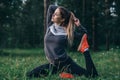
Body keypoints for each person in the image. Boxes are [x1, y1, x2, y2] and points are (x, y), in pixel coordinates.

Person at [26, 5, 98, 78]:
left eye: (56, 14)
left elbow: (84, 34)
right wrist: (68, 13)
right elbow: (51, 7)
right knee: (30, 75)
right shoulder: (50, 25)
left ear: (62, 19)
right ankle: (66, 74)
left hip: (66, 63)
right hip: (53, 65)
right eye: (54, 13)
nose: (53, 15)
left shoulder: (68, 33)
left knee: (92, 75)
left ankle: (85, 50)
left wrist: (78, 24)